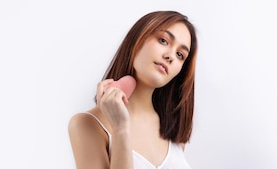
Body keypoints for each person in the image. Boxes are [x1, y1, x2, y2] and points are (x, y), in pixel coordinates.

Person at [68, 10, 198, 169]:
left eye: (180, 54)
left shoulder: (173, 129)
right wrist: (120, 130)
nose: (170, 56)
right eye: (163, 40)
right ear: (137, 39)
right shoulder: (87, 124)